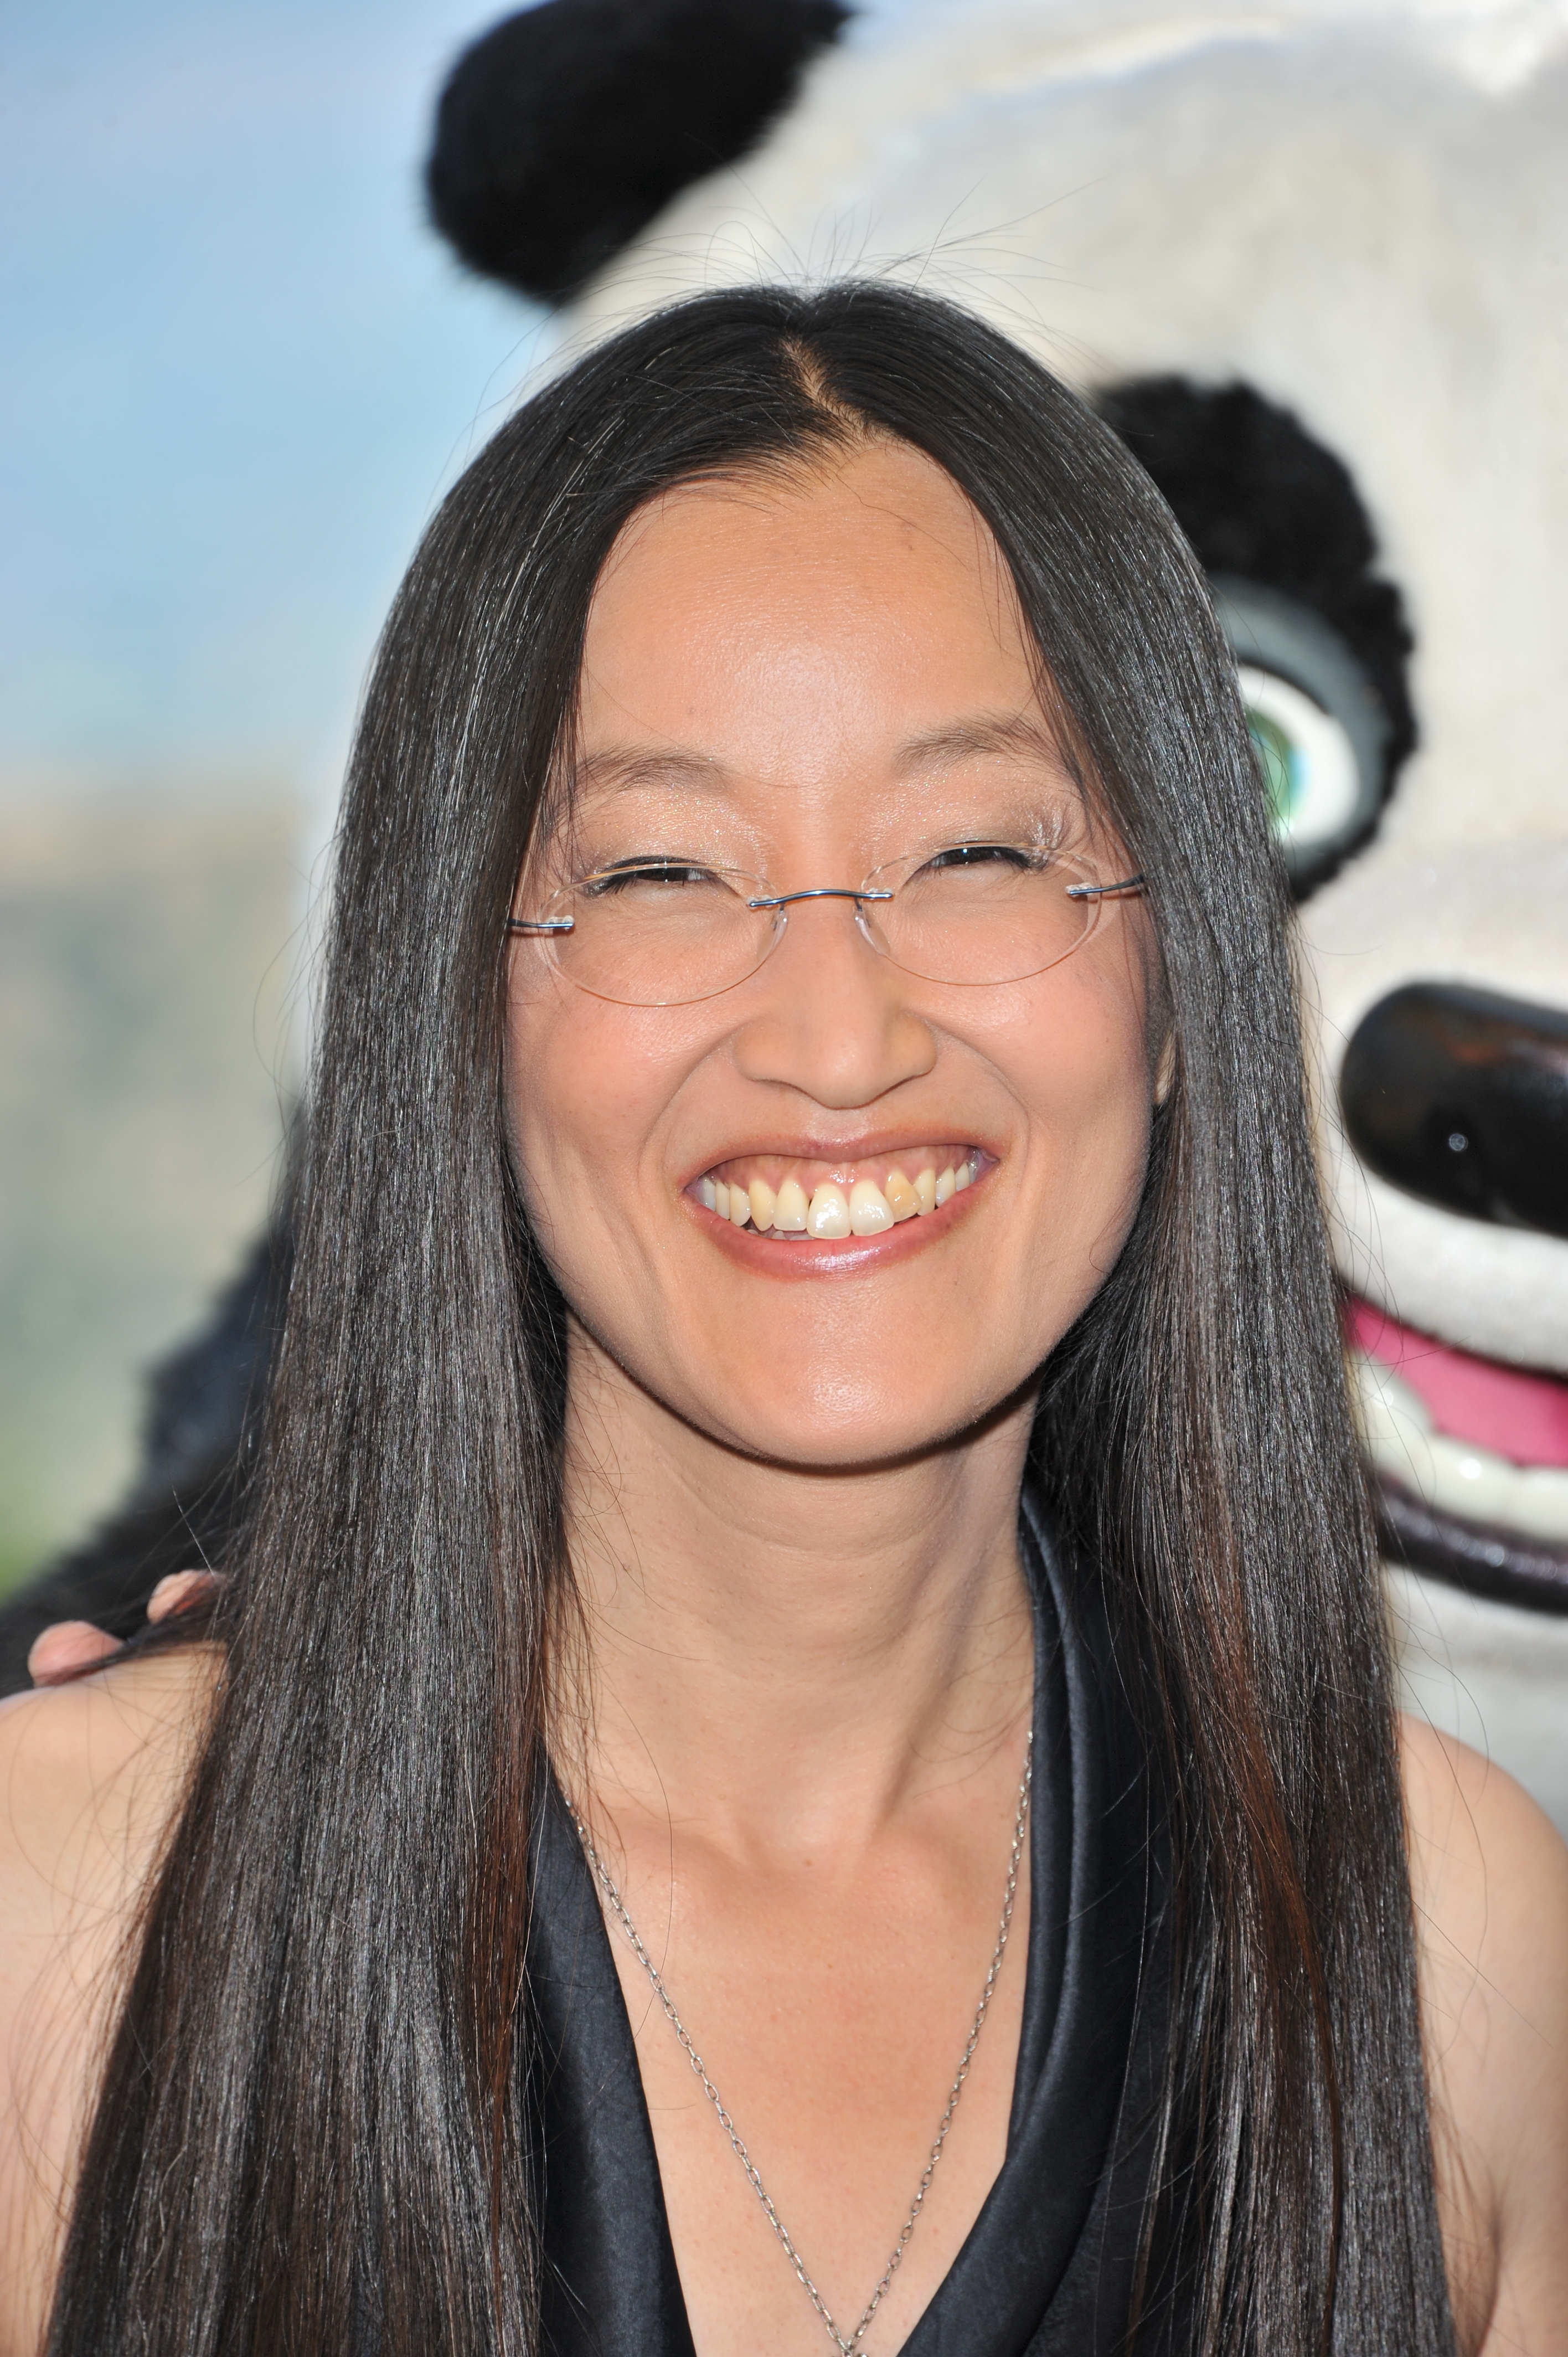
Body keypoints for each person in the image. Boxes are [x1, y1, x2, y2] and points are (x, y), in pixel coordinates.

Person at [1, 283, 1563, 2357]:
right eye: (662, 873)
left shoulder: (1448, 1948)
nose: (839, 1037)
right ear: (459, 1001)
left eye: (977, 850)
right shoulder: (73, 1911)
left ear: (1183, 975)